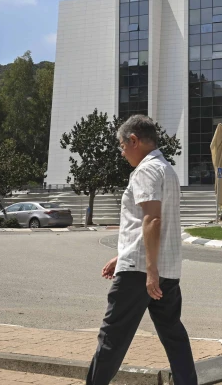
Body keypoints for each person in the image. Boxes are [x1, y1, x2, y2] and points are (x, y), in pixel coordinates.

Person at [86, 115, 197, 385]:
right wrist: (122, 256)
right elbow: (146, 224)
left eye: (123, 146)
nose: (123, 153)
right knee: (174, 337)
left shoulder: (146, 170)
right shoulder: (167, 169)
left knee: (112, 338)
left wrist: (149, 270)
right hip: (166, 270)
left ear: (134, 140)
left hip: (142, 273)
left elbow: (152, 219)